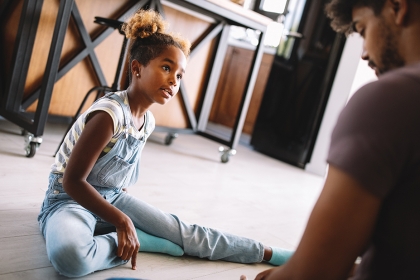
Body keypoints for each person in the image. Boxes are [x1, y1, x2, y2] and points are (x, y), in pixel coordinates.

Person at [37, 9, 293, 278]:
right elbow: (72, 182)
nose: (174, 80)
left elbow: (120, 180)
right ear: (137, 68)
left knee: (184, 232)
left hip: (112, 199)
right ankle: (140, 242)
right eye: (167, 68)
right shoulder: (108, 115)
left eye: (180, 76)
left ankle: (267, 252)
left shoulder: (147, 122)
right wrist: (122, 221)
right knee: (71, 258)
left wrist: (125, 213)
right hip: (68, 201)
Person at [243, 0, 420, 279]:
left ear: (397, 8)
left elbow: (315, 273)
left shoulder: (390, 101)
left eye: (362, 30)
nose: (364, 53)